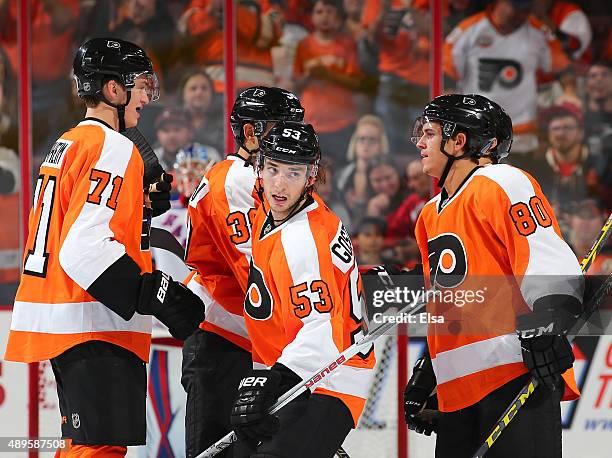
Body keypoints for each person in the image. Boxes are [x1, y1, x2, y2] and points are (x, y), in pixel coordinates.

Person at [3, 38, 205, 456]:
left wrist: (139, 205)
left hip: (65, 315)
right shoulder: (114, 147)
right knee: (99, 450)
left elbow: (71, 225)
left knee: (83, 445)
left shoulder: (69, 143)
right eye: (141, 86)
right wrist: (154, 291)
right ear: (113, 90)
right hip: (91, 320)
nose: (147, 97)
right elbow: (83, 247)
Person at [402, 93, 583, 457]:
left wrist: (550, 318)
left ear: (459, 141)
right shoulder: (429, 215)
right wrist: (433, 365)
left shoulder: (501, 181)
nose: (420, 143)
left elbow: (542, 253)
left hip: (512, 370)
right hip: (459, 386)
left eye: (430, 134)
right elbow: (449, 301)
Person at [230, 120, 375, 457]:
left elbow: (320, 326)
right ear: (260, 169)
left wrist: (276, 379)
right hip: (304, 373)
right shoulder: (276, 215)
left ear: (311, 176)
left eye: (293, 173)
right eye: (274, 169)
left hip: (327, 378)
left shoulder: (302, 238)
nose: (280, 184)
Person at [183, 86, 305, 458]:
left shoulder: (264, 180)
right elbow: (255, 272)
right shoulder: (235, 179)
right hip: (222, 338)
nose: (290, 138)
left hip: (242, 337)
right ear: (251, 132)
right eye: (280, 128)